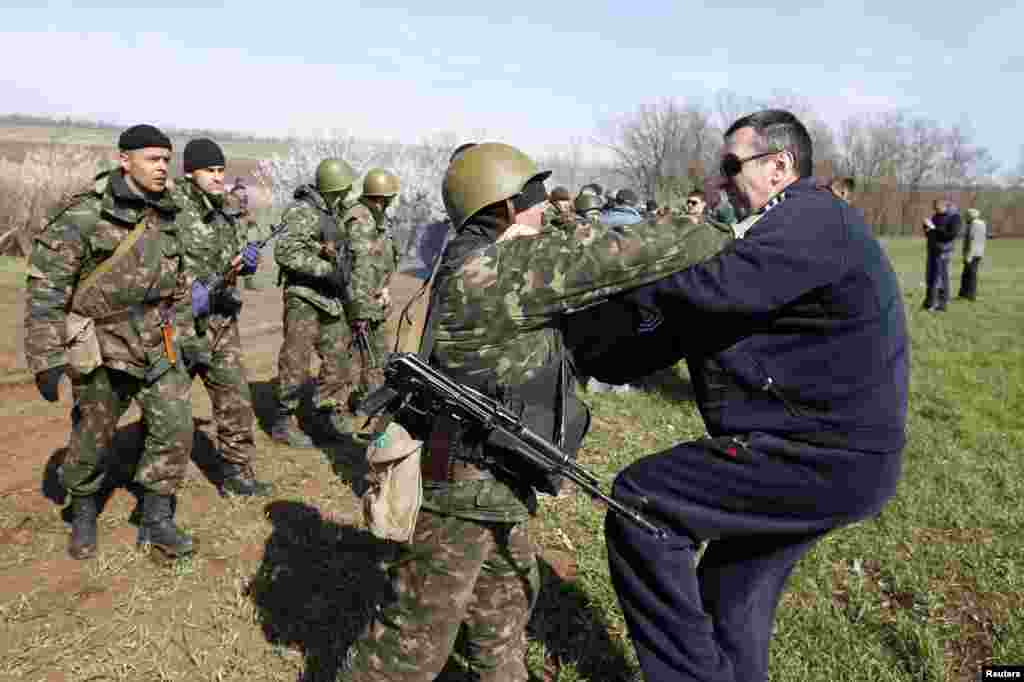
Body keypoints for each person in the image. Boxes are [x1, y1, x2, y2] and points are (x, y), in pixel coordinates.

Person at [342, 142, 731, 682]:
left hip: (498, 486)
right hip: (460, 493)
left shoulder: (472, 259)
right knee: (404, 652)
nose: (546, 209)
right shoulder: (495, 271)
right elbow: (622, 250)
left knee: (501, 627)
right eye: (533, 200)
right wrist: (721, 227)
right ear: (503, 208)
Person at [583, 109, 907, 681]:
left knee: (643, 502)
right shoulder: (788, 228)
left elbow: (712, 290)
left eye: (732, 165)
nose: (723, 178)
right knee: (730, 596)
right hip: (842, 456)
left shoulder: (810, 217)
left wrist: (604, 273)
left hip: (821, 456)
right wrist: (598, 351)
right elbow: (700, 323)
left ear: (780, 164)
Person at [24, 124, 199, 560]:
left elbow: (179, 285)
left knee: (176, 428)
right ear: (125, 160)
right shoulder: (86, 214)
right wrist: (46, 358)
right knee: (92, 436)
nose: (162, 167)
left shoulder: (170, 212)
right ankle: (83, 511)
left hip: (159, 341)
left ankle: (156, 519)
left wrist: (186, 338)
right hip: (102, 342)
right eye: (152, 159)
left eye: (166, 159)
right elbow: (47, 288)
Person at [173, 138, 272, 496]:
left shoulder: (226, 208)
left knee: (235, 400)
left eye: (220, 170)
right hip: (183, 326)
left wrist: (245, 262)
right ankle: (155, 485)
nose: (217, 178)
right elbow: (156, 266)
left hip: (222, 322)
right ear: (189, 172)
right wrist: (187, 292)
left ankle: (237, 474)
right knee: (169, 411)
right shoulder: (172, 211)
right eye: (208, 171)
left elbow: (230, 259)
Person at [271, 158, 358, 447]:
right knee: (296, 360)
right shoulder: (302, 211)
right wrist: (326, 270)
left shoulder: (333, 212)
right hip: (304, 296)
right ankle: (285, 419)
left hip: (330, 297)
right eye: (343, 189)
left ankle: (326, 414)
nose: (346, 194)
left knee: (337, 356)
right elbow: (285, 253)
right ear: (334, 187)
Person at [334, 168, 401, 438]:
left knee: (374, 360)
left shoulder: (375, 219)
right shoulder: (361, 221)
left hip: (371, 299)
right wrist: (361, 311)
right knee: (366, 361)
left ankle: (365, 410)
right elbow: (360, 268)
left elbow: (380, 263)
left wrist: (384, 288)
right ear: (381, 198)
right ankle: (356, 417)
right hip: (360, 304)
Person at [922, 198, 961, 311]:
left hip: (944, 251)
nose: (934, 209)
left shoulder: (954, 217)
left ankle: (941, 304)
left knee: (940, 278)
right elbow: (930, 233)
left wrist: (934, 228)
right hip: (932, 249)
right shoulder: (936, 216)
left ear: (944, 205)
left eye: (936, 207)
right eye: (934, 207)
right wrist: (926, 227)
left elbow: (950, 235)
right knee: (930, 277)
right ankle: (929, 302)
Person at [957, 207, 987, 301]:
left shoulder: (973, 224)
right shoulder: (982, 223)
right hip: (979, 252)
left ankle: (970, 295)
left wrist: (969, 255)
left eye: (966, 216)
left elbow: (972, 240)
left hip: (972, 253)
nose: (965, 218)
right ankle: (964, 293)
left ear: (970, 216)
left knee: (970, 274)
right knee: (968, 274)